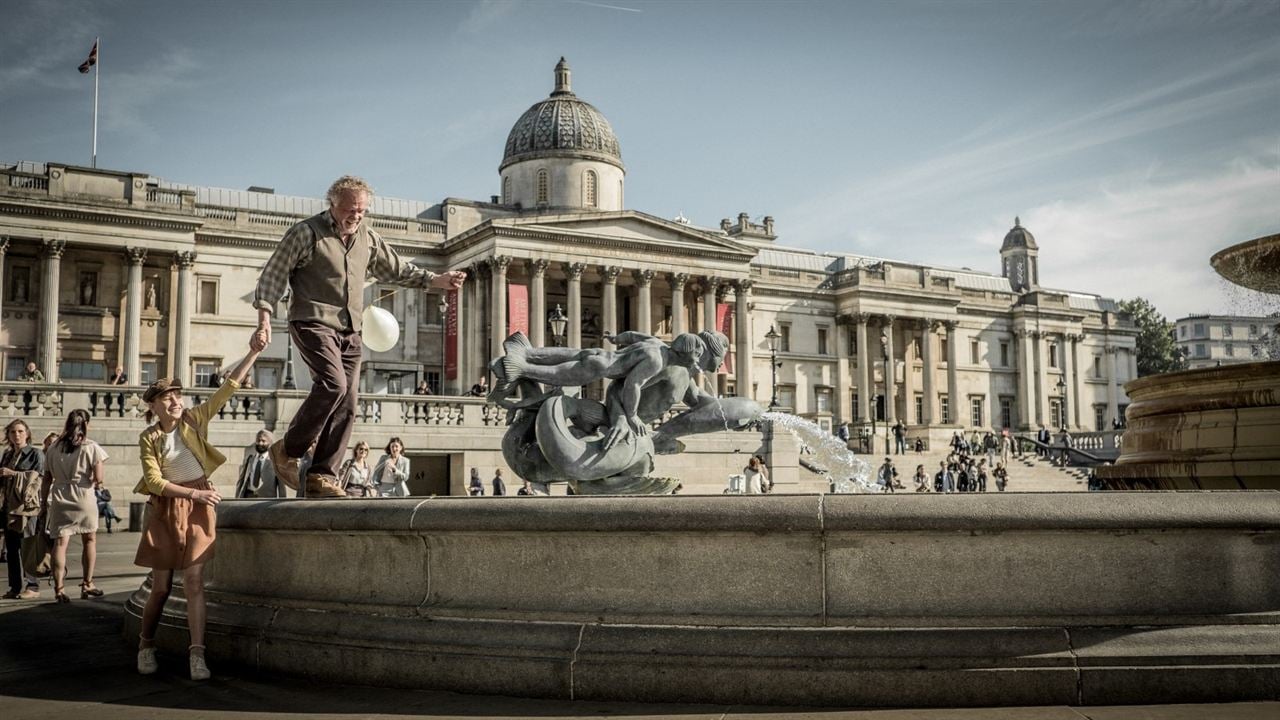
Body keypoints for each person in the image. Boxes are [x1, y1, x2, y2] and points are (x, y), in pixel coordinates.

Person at [251, 175, 467, 499]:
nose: (357, 216)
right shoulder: (306, 233)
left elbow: (397, 269)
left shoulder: (368, 237)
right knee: (333, 384)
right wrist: (264, 319)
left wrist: (438, 279)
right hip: (312, 321)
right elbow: (273, 276)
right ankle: (286, 448)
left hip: (351, 330)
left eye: (362, 210)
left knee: (349, 403)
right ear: (333, 204)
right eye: (351, 209)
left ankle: (321, 476)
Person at [133, 346, 259, 681]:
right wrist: (195, 493)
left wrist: (253, 352)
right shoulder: (150, 437)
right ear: (153, 406)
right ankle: (146, 644)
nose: (175, 401)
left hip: (199, 507)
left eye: (177, 395)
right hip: (165, 508)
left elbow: (228, 388)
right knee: (160, 586)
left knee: (193, 581)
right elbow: (154, 481)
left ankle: (197, 655)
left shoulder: (195, 418)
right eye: (166, 398)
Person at [501, 330, 705, 449]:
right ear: (686, 353)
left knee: (565, 355)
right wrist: (632, 415)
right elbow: (632, 384)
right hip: (599, 369)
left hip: (601, 355)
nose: (696, 362)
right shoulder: (657, 361)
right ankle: (519, 368)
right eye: (696, 356)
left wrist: (616, 339)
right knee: (555, 373)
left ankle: (526, 352)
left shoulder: (657, 344)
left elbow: (634, 336)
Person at [42, 409, 109, 604]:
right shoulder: (91, 446)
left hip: (60, 495)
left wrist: (43, 502)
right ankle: (87, 583)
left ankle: (59, 589)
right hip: (83, 494)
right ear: (86, 424)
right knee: (89, 540)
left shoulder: (54, 447)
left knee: (60, 544)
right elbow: (98, 478)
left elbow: (47, 478)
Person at [1, 419, 43, 599]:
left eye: (20, 431)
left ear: (27, 433)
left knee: (28, 545)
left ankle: (32, 585)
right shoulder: (7, 454)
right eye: (12, 432)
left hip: (27, 508)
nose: (16, 435)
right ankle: (14, 586)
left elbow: (38, 479)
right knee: (11, 548)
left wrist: (13, 474)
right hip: (9, 506)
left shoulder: (35, 454)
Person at [234, 430, 283, 499]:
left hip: (266, 501)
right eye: (258, 440)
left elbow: (281, 487)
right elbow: (241, 481)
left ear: (270, 443)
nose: (260, 443)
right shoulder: (250, 459)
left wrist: (282, 504)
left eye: (263, 441)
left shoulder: (275, 462)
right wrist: (237, 498)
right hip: (248, 498)